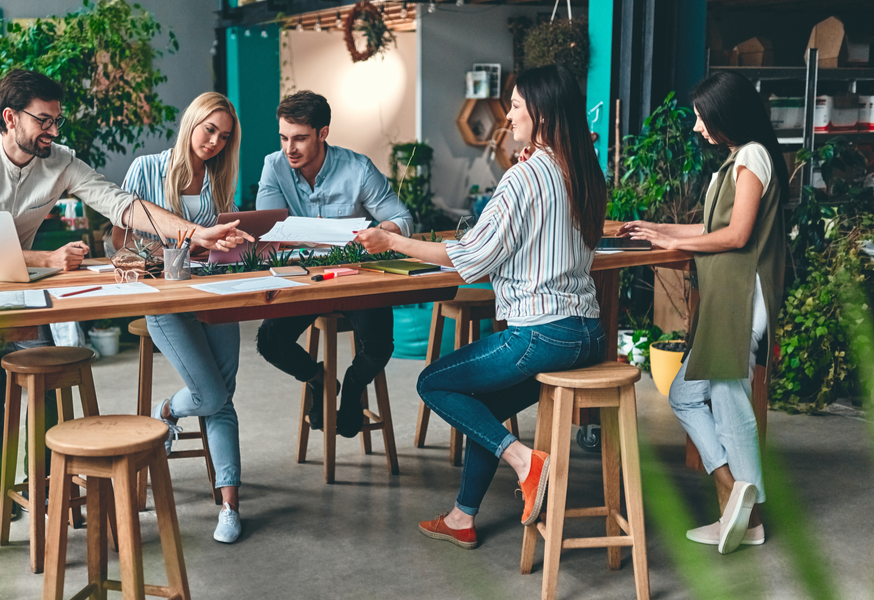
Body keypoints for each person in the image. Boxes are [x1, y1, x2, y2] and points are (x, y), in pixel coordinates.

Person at [0, 69, 252, 521]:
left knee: (41, 373)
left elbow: (122, 204)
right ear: (11, 118)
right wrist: (45, 260)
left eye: (56, 120)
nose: (53, 130)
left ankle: (44, 478)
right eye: (43, 120)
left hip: (23, 287)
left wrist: (194, 233)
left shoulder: (60, 160)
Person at [352, 65, 606, 549]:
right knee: (482, 409)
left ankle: (526, 463)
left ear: (543, 112)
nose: (508, 116)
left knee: (433, 382)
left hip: (540, 335)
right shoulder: (586, 171)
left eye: (515, 105)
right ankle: (462, 517)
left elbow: (468, 258)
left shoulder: (524, 178)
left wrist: (389, 241)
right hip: (587, 335)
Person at [622, 71, 785, 554]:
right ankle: (732, 497)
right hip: (724, 299)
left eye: (701, 118)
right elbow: (713, 227)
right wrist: (658, 227)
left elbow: (737, 236)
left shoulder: (753, 155)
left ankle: (747, 513)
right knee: (686, 395)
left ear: (725, 116)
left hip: (740, 299)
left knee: (730, 400)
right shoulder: (737, 161)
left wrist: (671, 239)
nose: (697, 128)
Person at [120, 91, 246, 543]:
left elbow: (220, 246)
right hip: (165, 300)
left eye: (224, 136)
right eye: (209, 129)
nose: (214, 141)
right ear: (191, 120)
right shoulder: (146, 169)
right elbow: (121, 246)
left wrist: (233, 245)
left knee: (222, 397)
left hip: (215, 294)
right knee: (212, 393)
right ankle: (168, 410)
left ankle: (230, 505)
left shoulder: (218, 179)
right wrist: (188, 245)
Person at [254, 90, 412, 438]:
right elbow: (269, 230)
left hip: (355, 276)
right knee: (269, 341)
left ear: (322, 133)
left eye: (300, 138)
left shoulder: (357, 168)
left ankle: (353, 387)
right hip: (304, 280)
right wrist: (328, 235)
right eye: (284, 138)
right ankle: (319, 379)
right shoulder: (274, 166)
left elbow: (401, 217)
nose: (289, 148)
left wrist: (382, 233)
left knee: (379, 346)